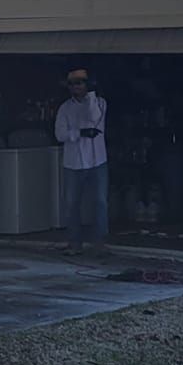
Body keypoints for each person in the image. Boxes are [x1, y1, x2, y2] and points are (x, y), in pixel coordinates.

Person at [54, 65, 108, 253]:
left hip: (97, 161)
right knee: (71, 204)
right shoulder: (64, 108)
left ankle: (99, 243)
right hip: (73, 163)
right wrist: (80, 133)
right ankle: (74, 243)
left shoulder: (99, 102)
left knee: (100, 202)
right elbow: (59, 134)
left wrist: (91, 94)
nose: (75, 86)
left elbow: (94, 118)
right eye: (71, 83)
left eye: (79, 82)